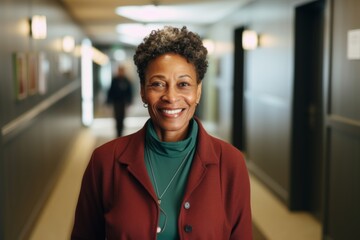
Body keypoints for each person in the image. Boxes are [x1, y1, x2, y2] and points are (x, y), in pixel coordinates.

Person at [71, 26, 252, 240]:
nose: (171, 97)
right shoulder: (104, 161)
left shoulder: (230, 163)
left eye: (183, 84)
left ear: (198, 91)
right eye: (158, 84)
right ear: (143, 91)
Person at [107, 65, 133, 136]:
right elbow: (110, 91)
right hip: (116, 102)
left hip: (123, 102)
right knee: (117, 117)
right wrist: (109, 101)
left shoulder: (126, 80)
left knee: (122, 117)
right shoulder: (115, 80)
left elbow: (130, 92)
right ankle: (118, 133)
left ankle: (121, 132)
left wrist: (129, 101)